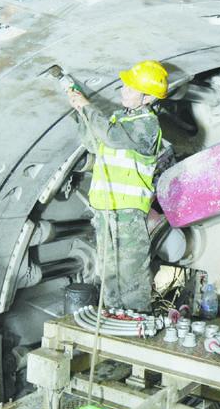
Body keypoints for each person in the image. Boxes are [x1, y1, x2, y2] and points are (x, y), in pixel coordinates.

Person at [67, 60, 169, 312]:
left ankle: (136, 328)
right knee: (109, 276)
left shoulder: (147, 124)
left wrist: (87, 107)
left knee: (131, 279)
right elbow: (93, 142)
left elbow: (111, 137)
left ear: (146, 98)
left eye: (131, 88)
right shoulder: (119, 119)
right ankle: (115, 323)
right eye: (125, 85)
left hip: (127, 215)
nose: (123, 90)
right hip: (106, 211)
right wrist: (79, 112)